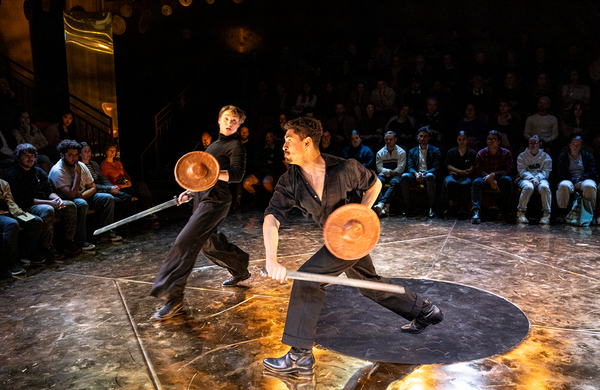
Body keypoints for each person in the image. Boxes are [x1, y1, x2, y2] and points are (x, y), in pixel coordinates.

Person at [261, 116, 443, 375]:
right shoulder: (289, 181)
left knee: (307, 280)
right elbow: (271, 218)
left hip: (354, 239)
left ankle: (299, 357)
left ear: (308, 142)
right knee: (369, 285)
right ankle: (425, 310)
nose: (284, 146)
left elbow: (375, 184)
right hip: (336, 242)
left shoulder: (344, 168)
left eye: (289, 140)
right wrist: (271, 259)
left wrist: (360, 217)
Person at [150, 105, 250, 320]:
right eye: (226, 118)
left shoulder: (236, 146)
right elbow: (202, 176)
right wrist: (189, 190)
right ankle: (240, 267)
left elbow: (237, 174)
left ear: (239, 124)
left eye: (234, 120)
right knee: (208, 244)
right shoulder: (213, 146)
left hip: (216, 200)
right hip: (201, 197)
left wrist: (212, 174)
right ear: (219, 120)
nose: (229, 122)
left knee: (185, 242)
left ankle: (173, 298)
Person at [6, 144, 77, 259]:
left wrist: (57, 199)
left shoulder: (38, 171)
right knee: (47, 210)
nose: (30, 158)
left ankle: (68, 241)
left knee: (69, 205)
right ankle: (47, 247)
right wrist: (50, 203)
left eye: (32, 155)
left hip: (44, 202)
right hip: (26, 206)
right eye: (26, 156)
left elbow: (49, 190)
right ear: (18, 157)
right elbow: (24, 200)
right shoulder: (13, 174)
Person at [49, 140, 117, 250]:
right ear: (62, 155)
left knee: (108, 198)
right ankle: (81, 241)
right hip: (65, 200)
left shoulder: (80, 165)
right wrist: (77, 174)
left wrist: (81, 195)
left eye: (76, 155)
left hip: (82, 196)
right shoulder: (58, 170)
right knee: (81, 204)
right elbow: (71, 194)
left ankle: (104, 233)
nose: (74, 158)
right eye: (70, 155)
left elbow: (93, 187)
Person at [80, 142, 131, 226]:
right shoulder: (80, 166)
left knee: (126, 197)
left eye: (89, 151)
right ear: (80, 154)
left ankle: (125, 223)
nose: (88, 153)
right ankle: (116, 225)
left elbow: (102, 179)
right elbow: (89, 185)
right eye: (85, 151)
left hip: (104, 188)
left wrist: (112, 187)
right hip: (94, 190)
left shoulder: (94, 164)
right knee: (116, 201)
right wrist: (109, 188)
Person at [1, 178, 44, 276]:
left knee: (36, 221)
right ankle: (11, 263)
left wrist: (19, 213)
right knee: (11, 224)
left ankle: (26, 255)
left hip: (8, 213)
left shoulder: (3, 183)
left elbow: (10, 202)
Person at [100, 143, 155, 216]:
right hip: (118, 188)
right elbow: (107, 183)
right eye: (110, 150)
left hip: (125, 184)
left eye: (114, 150)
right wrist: (122, 186)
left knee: (141, 184)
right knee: (140, 191)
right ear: (105, 151)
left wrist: (127, 182)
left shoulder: (118, 163)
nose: (113, 153)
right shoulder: (104, 165)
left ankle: (149, 208)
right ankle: (149, 209)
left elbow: (126, 175)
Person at [471, 130, 513, 224]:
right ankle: (476, 211)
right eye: (489, 139)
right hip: (485, 178)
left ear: (499, 141)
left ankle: (505, 211)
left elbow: (508, 170)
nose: (490, 141)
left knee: (507, 180)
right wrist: (490, 179)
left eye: (493, 139)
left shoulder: (506, 153)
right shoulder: (481, 153)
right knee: (476, 182)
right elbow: (479, 170)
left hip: (499, 178)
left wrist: (494, 175)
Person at [399, 127, 442, 218]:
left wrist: (424, 174)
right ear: (417, 137)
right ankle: (407, 206)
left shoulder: (435, 150)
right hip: (415, 174)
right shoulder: (412, 151)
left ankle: (432, 207)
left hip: (427, 174)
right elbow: (410, 167)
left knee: (431, 176)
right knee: (404, 176)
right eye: (421, 136)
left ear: (429, 138)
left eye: (425, 136)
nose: (423, 138)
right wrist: (416, 174)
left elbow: (436, 167)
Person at [555, 136, 597, 223]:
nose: (575, 146)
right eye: (573, 144)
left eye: (578, 145)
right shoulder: (563, 157)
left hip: (584, 179)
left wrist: (581, 180)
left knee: (590, 186)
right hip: (569, 179)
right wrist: (575, 181)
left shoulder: (588, 156)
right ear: (569, 145)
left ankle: (590, 213)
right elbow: (562, 172)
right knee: (564, 185)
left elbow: (591, 171)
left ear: (582, 146)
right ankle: (562, 213)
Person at [515, 135, 552, 224]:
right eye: (530, 143)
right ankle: (520, 213)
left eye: (535, 143)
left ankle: (546, 214)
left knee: (544, 187)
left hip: (541, 178)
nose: (532, 145)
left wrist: (537, 178)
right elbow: (522, 171)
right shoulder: (522, 156)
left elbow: (546, 171)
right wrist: (531, 178)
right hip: (525, 178)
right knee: (528, 187)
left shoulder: (545, 156)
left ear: (539, 144)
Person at [243, 131, 287, 199]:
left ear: (274, 137)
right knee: (246, 183)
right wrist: (266, 162)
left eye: (270, 136)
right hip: (260, 171)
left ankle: (275, 200)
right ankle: (256, 197)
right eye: (267, 137)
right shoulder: (261, 149)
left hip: (271, 172)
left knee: (266, 183)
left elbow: (279, 163)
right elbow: (254, 162)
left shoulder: (278, 149)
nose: (268, 138)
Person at [442, 131, 476, 218]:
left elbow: (472, 167)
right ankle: (450, 206)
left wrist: (468, 171)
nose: (462, 141)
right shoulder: (451, 152)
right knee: (450, 182)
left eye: (464, 139)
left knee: (465, 184)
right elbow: (449, 166)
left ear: (467, 140)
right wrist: (459, 172)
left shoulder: (471, 152)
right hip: (453, 174)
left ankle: (462, 208)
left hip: (466, 175)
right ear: (457, 140)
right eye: (459, 139)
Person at [373, 131, 406, 217]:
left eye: (391, 139)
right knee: (376, 181)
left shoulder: (401, 152)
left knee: (394, 182)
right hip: (385, 175)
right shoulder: (380, 153)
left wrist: (387, 172)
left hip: (396, 176)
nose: (388, 141)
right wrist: (392, 171)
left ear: (395, 140)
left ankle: (381, 203)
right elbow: (379, 169)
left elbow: (400, 169)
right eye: (387, 139)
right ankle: (383, 205)